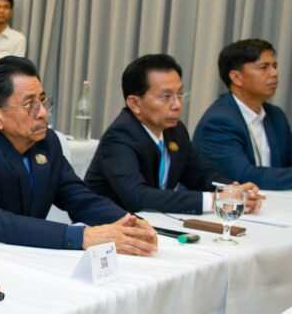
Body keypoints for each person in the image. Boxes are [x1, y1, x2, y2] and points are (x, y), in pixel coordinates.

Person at [0, 56, 158, 256]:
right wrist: (82, 236)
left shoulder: (46, 142)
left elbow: (79, 198)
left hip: (15, 255)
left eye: (43, 100)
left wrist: (130, 222)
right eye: (30, 105)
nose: (43, 112)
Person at [85, 54, 261, 215]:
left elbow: (199, 173)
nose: (177, 105)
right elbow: (137, 196)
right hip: (110, 226)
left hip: (154, 221)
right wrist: (214, 200)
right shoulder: (119, 137)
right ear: (134, 103)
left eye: (179, 94)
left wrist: (232, 189)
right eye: (165, 97)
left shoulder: (175, 130)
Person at [193, 39, 292, 189]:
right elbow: (246, 177)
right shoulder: (218, 122)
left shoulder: (276, 116)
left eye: (275, 66)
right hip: (226, 203)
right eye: (264, 67)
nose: (274, 73)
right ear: (236, 77)